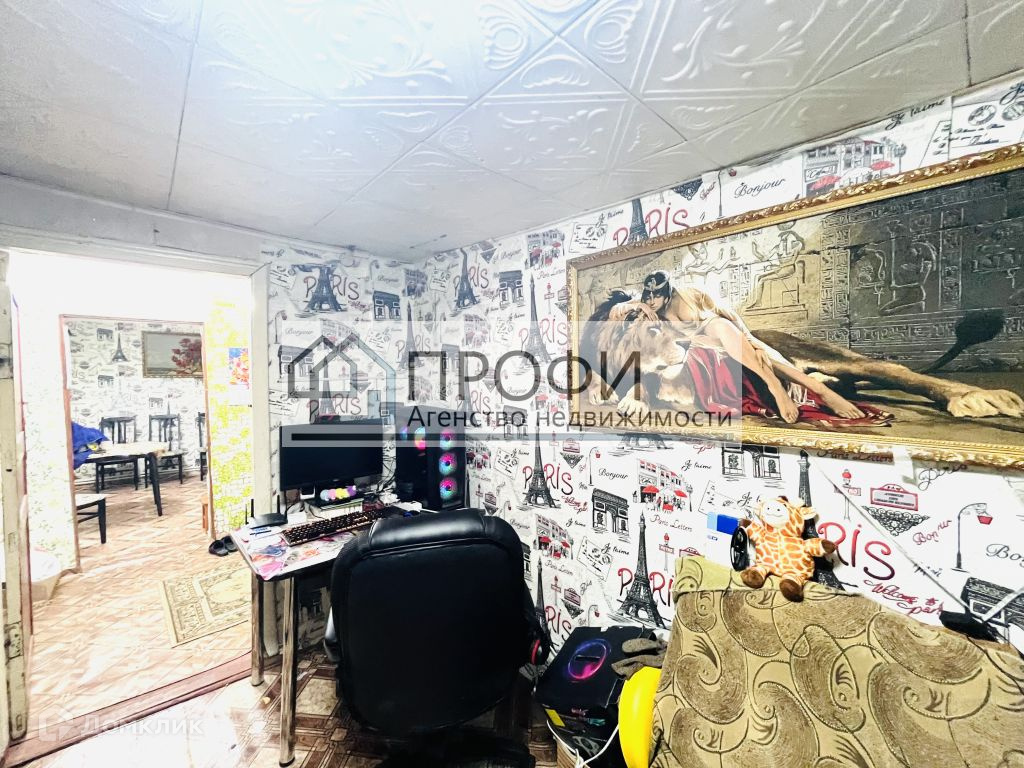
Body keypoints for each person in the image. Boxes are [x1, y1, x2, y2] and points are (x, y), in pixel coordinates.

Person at [613, 272, 889, 425]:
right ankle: (800, 385)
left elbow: (728, 315)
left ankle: (789, 387)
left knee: (734, 336)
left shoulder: (689, 295)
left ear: (668, 291)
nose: (653, 300)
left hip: (721, 330)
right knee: (723, 345)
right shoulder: (650, 310)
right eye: (649, 295)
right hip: (701, 345)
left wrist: (750, 340)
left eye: (657, 294)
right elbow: (625, 313)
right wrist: (631, 306)